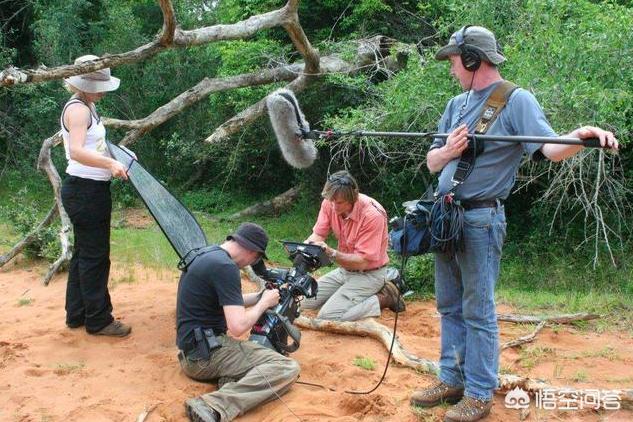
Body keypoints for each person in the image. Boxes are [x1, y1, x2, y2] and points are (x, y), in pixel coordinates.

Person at [409, 26, 618, 422]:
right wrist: (447, 151)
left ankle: (477, 393)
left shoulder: (514, 99)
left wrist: (580, 135)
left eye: (454, 60)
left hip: (480, 219)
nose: (451, 67)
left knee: (478, 309)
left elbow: (549, 149)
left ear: (472, 59)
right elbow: (432, 160)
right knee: (449, 305)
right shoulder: (455, 104)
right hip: (445, 216)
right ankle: (450, 378)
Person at [178, 222, 300, 422]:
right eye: (258, 258)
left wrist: (261, 297)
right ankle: (213, 405)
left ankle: (229, 381)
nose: (253, 263)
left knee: (255, 365)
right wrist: (263, 305)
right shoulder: (226, 268)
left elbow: (226, 299)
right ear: (253, 252)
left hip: (191, 352)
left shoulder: (206, 255)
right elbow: (238, 327)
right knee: (286, 368)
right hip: (207, 355)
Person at [60, 54, 132, 337]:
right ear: (86, 82)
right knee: (95, 257)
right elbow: (77, 151)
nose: (103, 89)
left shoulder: (86, 105)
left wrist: (120, 155)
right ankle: (98, 320)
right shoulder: (78, 110)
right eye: (99, 83)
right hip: (86, 191)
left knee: (84, 254)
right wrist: (111, 164)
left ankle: (77, 314)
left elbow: (95, 144)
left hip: (87, 190)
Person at [302, 170, 405, 321]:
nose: (334, 206)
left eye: (339, 203)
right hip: (344, 271)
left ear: (353, 198)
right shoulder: (329, 202)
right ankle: (343, 296)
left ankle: (385, 297)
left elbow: (363, 260)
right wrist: (307, 246)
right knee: (303, 302)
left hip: (370, 274)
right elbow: (318, 233)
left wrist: (331, 253)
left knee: (328, 316)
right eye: (331, 201)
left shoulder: (372, 215)